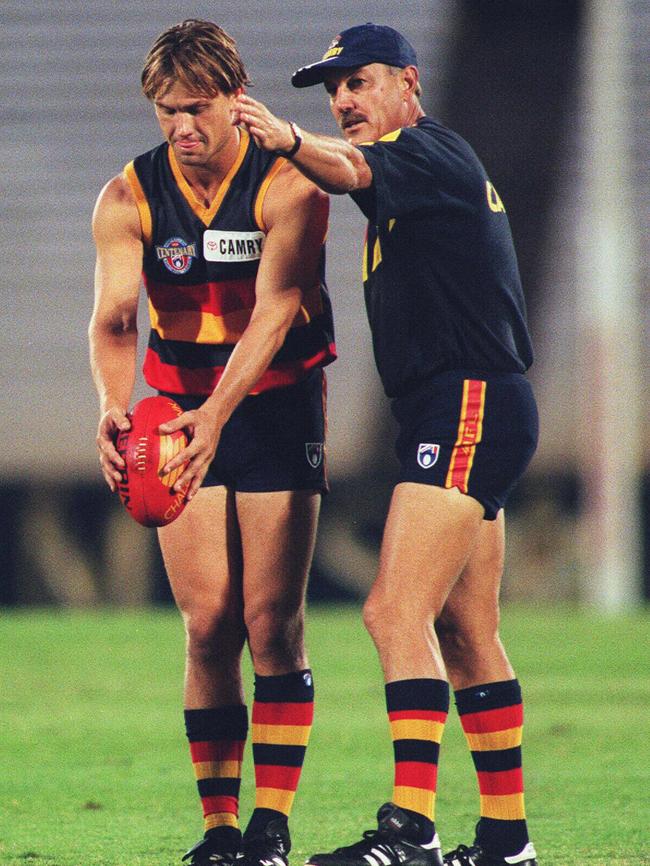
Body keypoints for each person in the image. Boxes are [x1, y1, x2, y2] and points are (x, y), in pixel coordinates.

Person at [233, 22, 539, 866]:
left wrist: (285, 136)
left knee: (391, 610)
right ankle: (507, 841)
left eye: (358, 82)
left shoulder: (428, 153)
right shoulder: (416, 175)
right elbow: (356, 176)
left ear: (408, 81)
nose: (343, 100)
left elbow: (347, 167)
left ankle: (412, 830)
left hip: (467, 402)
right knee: (469, 628)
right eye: (333, 89)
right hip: (471, 404)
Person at [89, 19, 336, 866]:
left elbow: (275, 314)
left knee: (272, 623)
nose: (181, 127)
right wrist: (115, 408)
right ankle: (222, 831)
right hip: (176, 408)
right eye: (166, 111)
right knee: (207, 625)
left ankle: (273, 824)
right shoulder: (130, 196)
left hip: (272, 405)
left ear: (238, 96)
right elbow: (117, 318)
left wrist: (217, 420)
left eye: (196, 108)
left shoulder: (290, 184)